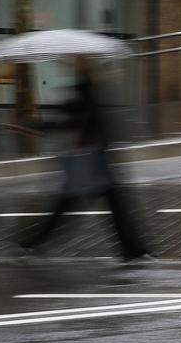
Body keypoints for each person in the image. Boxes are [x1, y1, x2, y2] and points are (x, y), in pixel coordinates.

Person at [9, 55, 152, 262]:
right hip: (91, 158)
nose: (72, 63)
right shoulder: (86, 87)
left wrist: (33, 125)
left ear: (85, 64)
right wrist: (33, 125)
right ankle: (30, 244)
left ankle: (31, 244)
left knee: (78, 205)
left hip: (93, 156)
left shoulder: (86, 87)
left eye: (77, 60)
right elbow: (71, 120)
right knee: (75, 205)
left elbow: (73, 120)